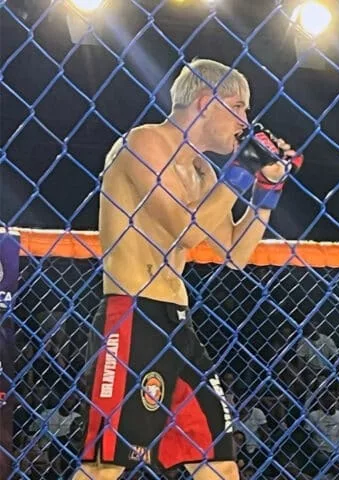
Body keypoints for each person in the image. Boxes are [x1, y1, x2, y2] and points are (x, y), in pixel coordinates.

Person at [72, 58, 303, 479]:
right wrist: (242, 168)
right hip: (133, 315)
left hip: (178, 324)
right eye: (238, 106)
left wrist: (266, 189)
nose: (245, 121)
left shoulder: (203, 172)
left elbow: (234, 252)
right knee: (106, 467)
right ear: (205, 102)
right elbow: (185, 229)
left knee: (219, 464)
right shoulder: (144, 143)